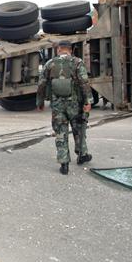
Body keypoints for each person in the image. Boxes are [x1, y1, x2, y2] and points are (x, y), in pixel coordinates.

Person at [36, 40, 93, 175]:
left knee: (60, 132)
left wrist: (40, 102)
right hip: (75, 104)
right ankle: (82, 154)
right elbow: (84, 83)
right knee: (79, 128)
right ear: (70, 50)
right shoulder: (78, 62)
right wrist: (88, 101)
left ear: (58, 49)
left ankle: (64, 163)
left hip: (57, 106)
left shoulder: (50, 64)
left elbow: (41, 84)